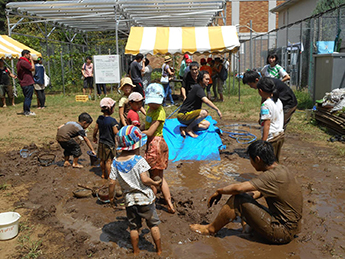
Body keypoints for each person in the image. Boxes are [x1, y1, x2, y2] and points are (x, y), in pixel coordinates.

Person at [190, 140, 303, 244]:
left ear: (257, 159)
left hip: (282, 232)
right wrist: (247, 201)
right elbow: (260, 192)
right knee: (243, 197)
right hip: (293, 229)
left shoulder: (270, 176)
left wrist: (219, 191)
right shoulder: (282, 170)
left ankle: (210, 229)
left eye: (250, 159)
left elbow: (239, 188)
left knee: (237, 199)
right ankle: (247, 224)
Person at [108, 125, 163, 255]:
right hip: (145, 199)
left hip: (129, 201)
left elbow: (111, 182)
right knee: (153, 225)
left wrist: (111, 198)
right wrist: (154, 182)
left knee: (133, 227)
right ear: (136, 145)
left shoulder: (115, 162)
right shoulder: (139, 160)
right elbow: (144, 179)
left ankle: (136, 251)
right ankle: (159, 250)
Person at [142, 83, 175, 214]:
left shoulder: (160, 112)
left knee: (154, 178)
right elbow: (146, 125)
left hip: (156, 145)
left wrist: (135, 132)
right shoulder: (150, 109)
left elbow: (150, 132)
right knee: (160, 178)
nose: (152, 105)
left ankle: (151, 204)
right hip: (154, 144)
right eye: (150, 102)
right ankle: (169, 204)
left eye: (155, 102)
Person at [177, 70, 222, 138]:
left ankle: (184, 128)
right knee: (204, 113)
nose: (208, 81)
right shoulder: (198, 88)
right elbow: (206, 100)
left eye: (209, 79)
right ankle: (189, 129)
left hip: (190, 115)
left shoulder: (199, 88)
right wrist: (217, 109)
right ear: (201, 79)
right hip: (183, 115)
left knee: (206, 124)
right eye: (206, 79)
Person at [257, 77, 285, 162]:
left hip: (271, 138)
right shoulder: (278, 101)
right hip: (280, 135)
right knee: (275, 161)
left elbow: (267, 124)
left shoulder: (265, 105)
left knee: (268, 163)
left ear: (260, 91)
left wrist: (263, 142)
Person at [93, 98, 119, 179]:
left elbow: (95, 128)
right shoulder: (112, 121)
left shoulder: (99, 118)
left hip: (101, 142)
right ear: (110, 109)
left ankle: (103, 174)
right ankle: (110, 176)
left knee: (102, 159)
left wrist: (94, 136)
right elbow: (115, 132)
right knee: (109, 161)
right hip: (109, 144)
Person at [16, 50, 35, 116]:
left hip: (23, 82)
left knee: (27, 97)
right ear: (25, 54)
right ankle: (27, 111)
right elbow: (32, 68)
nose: (29, 56)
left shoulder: (19, 62)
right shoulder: (23, 62)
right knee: (28, 97)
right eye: (28, 54)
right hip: (27, 82)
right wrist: (32, 60)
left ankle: (26, 110)